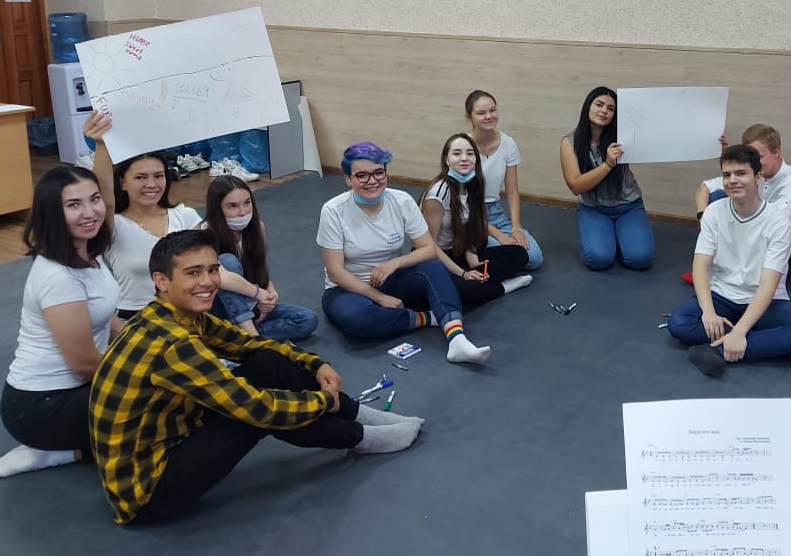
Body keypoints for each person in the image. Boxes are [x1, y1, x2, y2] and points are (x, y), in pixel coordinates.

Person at [88, 230, 422, 525]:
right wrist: (321, 400)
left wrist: (314, 363)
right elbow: (257, 408)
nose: (208, 282)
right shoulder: (173, 344)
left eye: (212, 270)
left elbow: (249, 344)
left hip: (173, 432)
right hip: (145, 493)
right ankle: (359, 436)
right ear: (161, 281)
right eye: (193, 273)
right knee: (254, 415)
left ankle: (354, 413)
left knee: (268, 363)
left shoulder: (174, 314)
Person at [0, 164, 124, 479]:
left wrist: (148, 339)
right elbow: (85, 364)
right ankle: (58, 452)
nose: (89, 212)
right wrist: (152, 372)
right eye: (73, 205)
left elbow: (106, 317)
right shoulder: (57, 277)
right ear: (52, 212)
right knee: (163, 399)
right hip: (39, 408)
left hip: (74, 390)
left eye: (94, 199)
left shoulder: (88, 251)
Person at [318, 142, 491, 364]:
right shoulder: (333, 211)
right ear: (348, 180)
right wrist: (380, 298)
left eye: (378, 172)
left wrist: (393, 264)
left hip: (391, 279)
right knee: (357, 319)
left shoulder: (401, 201)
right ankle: (427, 317)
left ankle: (457, 339)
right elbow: (335, 271)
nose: (372, 181)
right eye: (362, 175)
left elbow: (428, 249)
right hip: (347, 289)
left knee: (434, 267)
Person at [669, 144, 791, 377]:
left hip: (767, 301)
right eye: (727, 175)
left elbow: (768, 286)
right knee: (679, 323)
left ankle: (717, 350)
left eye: (741, 173)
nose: (732, 180)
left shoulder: (778, 222)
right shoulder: (713, 212)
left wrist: (740, 332)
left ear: (758, 177)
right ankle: (774, 345)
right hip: (722, 295)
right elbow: (700, 266)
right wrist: (708, 312)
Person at [86, 110, 201, 318]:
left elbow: (208, 270)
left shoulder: (186, 216)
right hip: (136, 317)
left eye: (158, 176)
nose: (151, 184)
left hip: (186, 314)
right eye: (140, 177)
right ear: (122, 183)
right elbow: (103, 199)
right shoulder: (115, 225)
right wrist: (102, 145)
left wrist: (258, 292)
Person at [686, 123, 791, 284]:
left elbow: (774, 221)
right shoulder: (751, 172)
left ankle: (730, 271)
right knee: (718, 198)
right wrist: (703, 217)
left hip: (790, 251)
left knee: (760, 222)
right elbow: (704, 189)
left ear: (776, 152)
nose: (755, 163)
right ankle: (729, 269)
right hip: (752, 240)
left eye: (759, 157)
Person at [421, 133, 532, 310]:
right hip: (437, 258)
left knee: (519, 255)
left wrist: (474, 264)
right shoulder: (438, 194)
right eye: (457, 153)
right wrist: (463, 274)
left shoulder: (474, 185)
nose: (464, 158)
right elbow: (428, 246)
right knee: (460, 291)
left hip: (459, 253)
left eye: (470, 153)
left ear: (476, 159)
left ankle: (480, 284)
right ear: (447, 160)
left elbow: (469, 232)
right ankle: (501, 288)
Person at [203, 175, 318, 341]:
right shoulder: (204, 234)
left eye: (247, 203)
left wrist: (270, 294)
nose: (243, 211)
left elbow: (259, 265)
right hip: (220, 309)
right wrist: (258, 294)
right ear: (217, 209)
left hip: (251, 302)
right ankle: (253, 339)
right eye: (233, 206)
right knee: (227, 261)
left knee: (307, 319)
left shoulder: (257, 227)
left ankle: (235, 337)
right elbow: (223, 278)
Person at [559, 86, 654, 271]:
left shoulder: (623, 137)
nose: (604, 111)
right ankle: (608, 235)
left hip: (629, 206)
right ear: (588, 106)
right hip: (593, 208)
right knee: (598, 260)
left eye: (611, 109)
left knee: (641, 260)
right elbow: (576, 186)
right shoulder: (570, 142)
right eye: (599, 104)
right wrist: (608, 164)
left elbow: (656, 137)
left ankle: (620, 236)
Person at [465, 90, 544, 269]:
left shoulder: (508, 143)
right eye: (481, 113)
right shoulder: (463, 146)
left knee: (534, 258)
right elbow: (462, 204)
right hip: (468, 214)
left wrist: (516, 228)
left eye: (492, 110)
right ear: (469, 117)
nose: (488, 116)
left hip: (494, 212)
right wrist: (500, 236)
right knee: (509, 250)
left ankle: (485, 256)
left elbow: (512, 191)